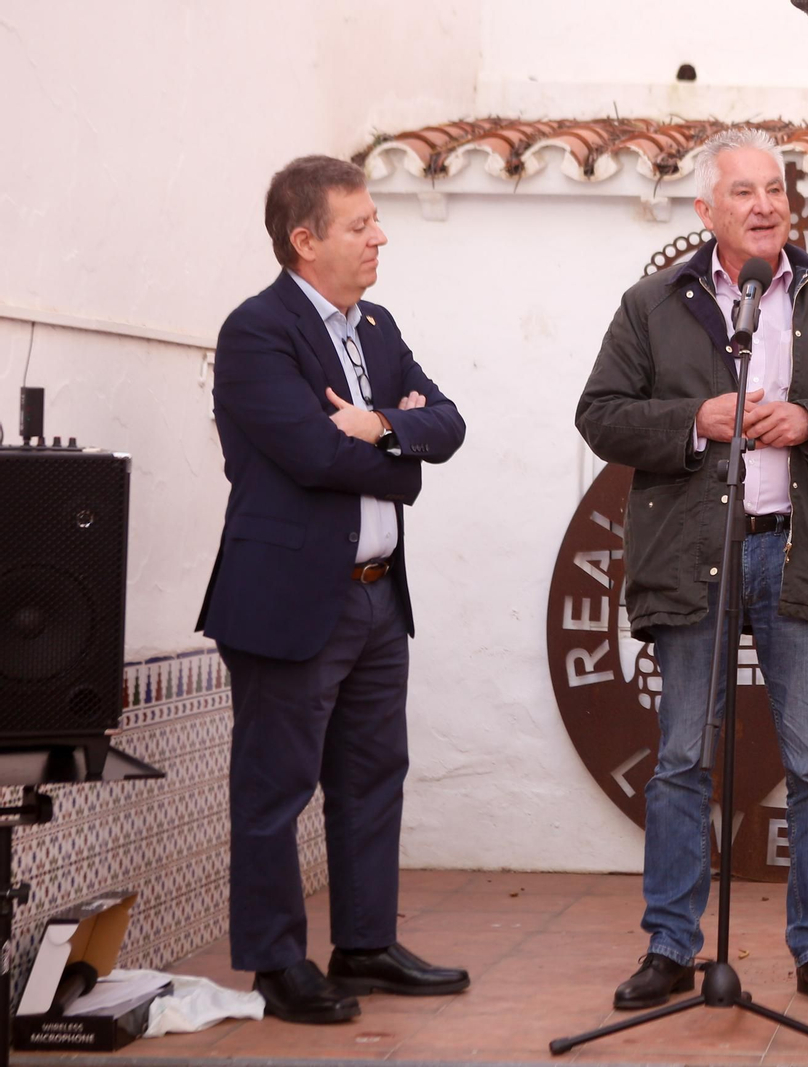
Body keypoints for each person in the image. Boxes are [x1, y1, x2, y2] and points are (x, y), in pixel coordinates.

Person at [576, 127, 808, 1013]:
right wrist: (700, 418)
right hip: (696, 555)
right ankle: (670, 944)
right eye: (744, 192)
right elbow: (602, 415)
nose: (765, 205)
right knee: (682, 756)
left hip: (801, 551)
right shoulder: (653, 304)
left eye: (775, 190)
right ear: (705, 210)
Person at [197, 155, 468, 1024]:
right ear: (304, 240)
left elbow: (450, 424)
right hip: (289, 600)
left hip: (379, 596)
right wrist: (400, 455)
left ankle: (364, 943)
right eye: (361, 224)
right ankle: (277, 961)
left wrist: (383, 423)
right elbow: (312, 455)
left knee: (373, 773)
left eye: (377, 219)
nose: (380, 235)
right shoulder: (257, 331)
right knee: (276, 786)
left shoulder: (377, 327)